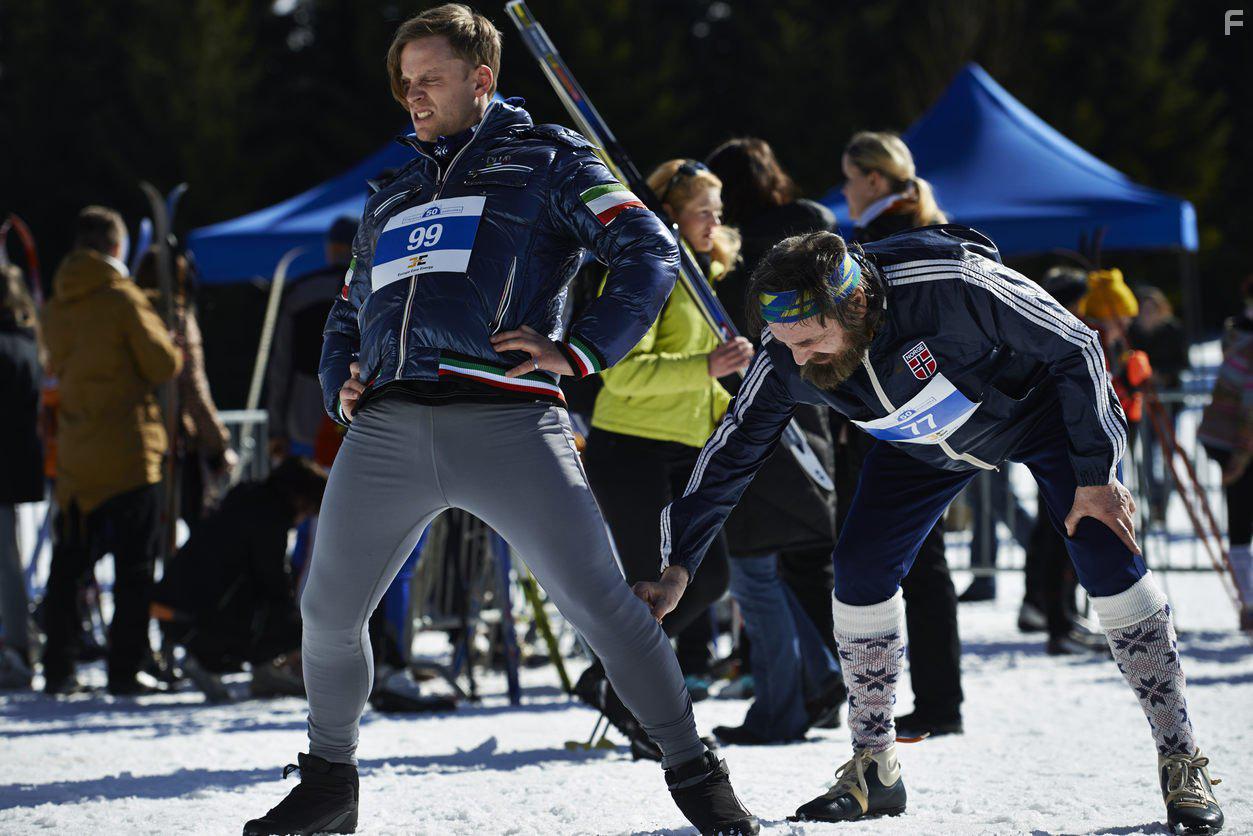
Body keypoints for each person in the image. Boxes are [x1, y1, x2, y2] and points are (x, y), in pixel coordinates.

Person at [243, 7, 757, 836]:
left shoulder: (548, 158)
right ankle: (329, 784)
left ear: (480, 78)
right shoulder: (394, 187)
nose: (412, 96)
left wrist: (582, 348)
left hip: (508, 417)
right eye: (404, 82)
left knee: (606, 612)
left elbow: (650, 249)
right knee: (327, 614)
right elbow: (351, 303)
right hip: (388, 425)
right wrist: (340, 367)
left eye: (430, 79)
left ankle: (696, 778)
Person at [643, 226, 1224, 833]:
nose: (796, 360)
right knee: (860, 570)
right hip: (918, 444)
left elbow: (1076, 345)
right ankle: (875, 766)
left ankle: (1181, 757)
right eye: (784, 343)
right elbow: (736, 446)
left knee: (1106, 555)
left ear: (856, 304)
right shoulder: (786, 350)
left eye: (810, 342)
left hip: (1037, 413)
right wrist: (680, 558)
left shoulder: (950, 288)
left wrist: (1096, 474)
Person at [576, 158, 748, 754]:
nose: (714, 222)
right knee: (654, 586)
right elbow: (619, 374)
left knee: (710, 576)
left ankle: (608, 679)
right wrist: (709, 367)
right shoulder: (648, 272)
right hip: (631, 447)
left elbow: (694, 379)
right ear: (670, 215)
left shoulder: (701, 276)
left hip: (684, 447)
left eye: (718, 211)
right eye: (703, 211)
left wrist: (737, 395)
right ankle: (629, 699)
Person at [704, 137, 845, 744]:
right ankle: (821, 673)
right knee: (785, 569)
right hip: (810, 407)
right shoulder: (814, 227)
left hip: (752, 408)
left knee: (755, 571)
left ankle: (781, 708)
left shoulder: (726, 256)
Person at [835, 131, 963, 740]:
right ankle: (939, 698)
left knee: (907, 560)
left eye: (850, 177)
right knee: (920, 561)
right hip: (933, 409)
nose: (844, 190)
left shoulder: (884, 241)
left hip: (902, 412)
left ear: (875, 181)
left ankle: (935, 702)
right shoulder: (925, 224)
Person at [41, 206, 182, 696]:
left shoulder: (59, 300)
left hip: (78, 451)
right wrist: (174, 344)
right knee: (133, 568)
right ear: (117, 247)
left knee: (69, 566)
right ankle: (124, 668)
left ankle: (57, 666)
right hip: (128, 449)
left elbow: (54, 360)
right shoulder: (123, 299)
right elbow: (161, 364)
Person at [153, 457, 328, 702]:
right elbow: (272, 581)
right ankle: (207, 659)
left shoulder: (246, 501)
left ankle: (258, 667)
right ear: (300, 498)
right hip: (194, 615)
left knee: (268, 606)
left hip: (173, 601)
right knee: (296, 623)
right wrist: (294, 623)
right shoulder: (269, 519)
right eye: (309, 510)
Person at [135, 248, 235, 528]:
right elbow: (193, 389)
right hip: (176, 440)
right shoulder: (176, 318)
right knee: (198, 529)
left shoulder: (128, 315)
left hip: (133, 436)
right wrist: (218, 444)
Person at [267, 216, 358, 463]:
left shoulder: (300, 291)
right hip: (356, 406)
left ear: (330, 248)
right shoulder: (371, 288)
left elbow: (281, 366)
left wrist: (276, 429)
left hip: (303, 413)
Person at [1199, 274, 1253, 630]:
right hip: (1234, 440)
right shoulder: (1242, 338)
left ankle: (1248, 605)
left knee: (1240, 525)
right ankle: (1248, 605)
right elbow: (1249, 405)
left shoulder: (1237, 334)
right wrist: (1242, 455)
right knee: (1240, 525)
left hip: (1230, 438)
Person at [0, 263, 44, 689]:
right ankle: (17, 643)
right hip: (16, 466)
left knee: (7, 564)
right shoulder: (27, 343)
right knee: (8, 561)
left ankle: (16, 647)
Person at [1130, 285, 1190, 521]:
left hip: (1168, 399)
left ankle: (1162, 500)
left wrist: (1161, 374)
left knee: (1166, 453)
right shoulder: (1133, 332)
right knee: (1144, 455)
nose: (1147, 313)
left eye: (1151, 308)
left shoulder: (1173, 330)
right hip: (1141, 402)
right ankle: (1152, 500)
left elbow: (1183, 362)